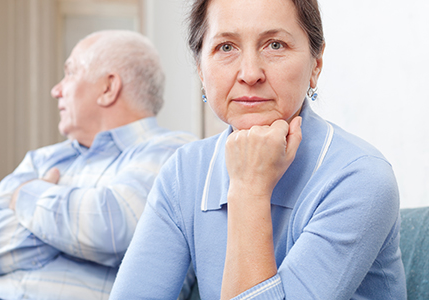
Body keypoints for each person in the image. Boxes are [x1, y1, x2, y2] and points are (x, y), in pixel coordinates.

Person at [109, 0, 407, 299]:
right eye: (226, 47)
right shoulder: (185, 170)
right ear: (201, 69)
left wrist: (248, 188)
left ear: (315, 65)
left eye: (275, 45)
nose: (250, 74)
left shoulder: (361, 177)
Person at [0, 30, 197, 300]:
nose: (56, 90)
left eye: (70, 73)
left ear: (108, 88)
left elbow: (113, 229)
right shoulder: (44, 159)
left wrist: (29, 195)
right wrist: (73, 236)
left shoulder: (172, 152)